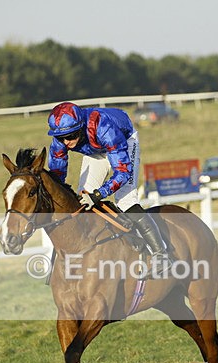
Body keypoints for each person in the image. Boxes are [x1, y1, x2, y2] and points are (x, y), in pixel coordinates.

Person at [46, 101, 171, 267]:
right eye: (61, 137)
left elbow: (123, 173)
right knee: (82, 200)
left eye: (70, 136)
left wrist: (98, 195)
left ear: (81, 128)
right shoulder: (60, 141)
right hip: (95, 150)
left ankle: (161, 255)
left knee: (125, 201)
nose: (66, 141)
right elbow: (57, 177)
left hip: (123, 141)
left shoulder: (103, 126)